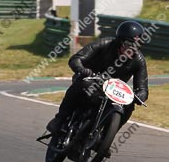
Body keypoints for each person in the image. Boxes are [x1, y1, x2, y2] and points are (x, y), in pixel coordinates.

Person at [46, 21, 149, 152]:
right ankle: (59, 119)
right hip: (90, 79)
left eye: (136, 46)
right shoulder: (104, 44)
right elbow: (76, 59)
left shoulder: (139, 61)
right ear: (119, 41)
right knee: (83, 85)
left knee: (129, 106)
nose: (132, 50)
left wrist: (138, 96)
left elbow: (143, 89)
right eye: (128, 45)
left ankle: (104, 138)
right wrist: (82, 69)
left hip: (112, 91)